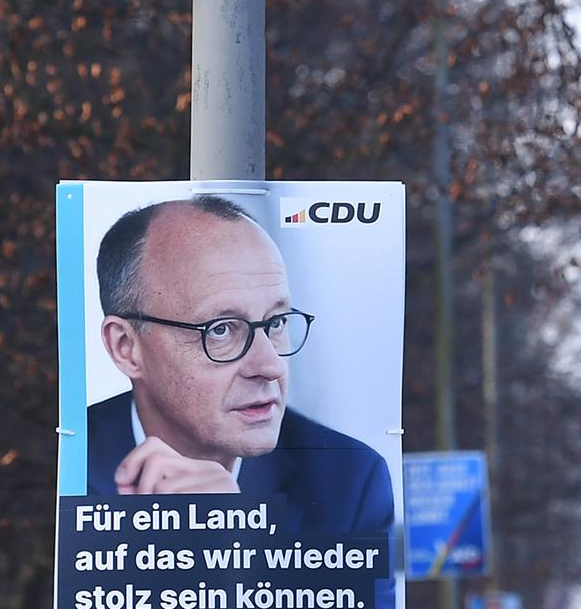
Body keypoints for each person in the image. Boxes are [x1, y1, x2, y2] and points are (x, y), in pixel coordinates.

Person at [87, 196, 394, 543]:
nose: (270, 365)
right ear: (125, 347)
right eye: (220, 329)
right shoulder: (62, 470)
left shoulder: (348, 482)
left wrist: (237, 542)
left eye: (276, 322)